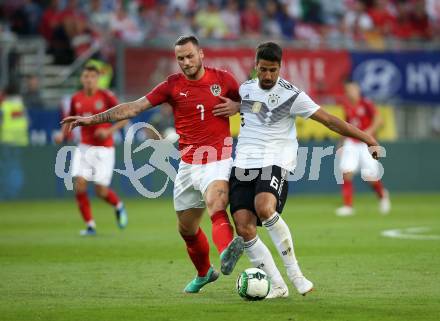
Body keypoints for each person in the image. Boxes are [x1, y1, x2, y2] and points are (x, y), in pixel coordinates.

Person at [61, 35, 245, 293]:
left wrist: (237, 105)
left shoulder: (223, 79)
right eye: (180, 58)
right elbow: (134, 108)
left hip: (218, 157)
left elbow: (251, 103)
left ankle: (227, 251)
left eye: (190, 56)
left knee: (216, 203)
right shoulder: (172, 85)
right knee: (187, 228)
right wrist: (91, 120)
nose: (186, 62)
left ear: (201, 54)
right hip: (188, 165)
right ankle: (204, 273)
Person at [214, 42, 381, 299]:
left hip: (274, 162)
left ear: (281, 67)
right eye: (263, 70)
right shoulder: (245, 89)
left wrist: (367, 138)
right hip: (242, 166)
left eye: (273, 70)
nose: (268, 75)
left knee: (265, 207)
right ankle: (278, 286)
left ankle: (296, 275)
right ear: (255, 66)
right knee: (245, 229)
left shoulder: (292, 95)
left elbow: (329, 120)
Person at [55, 65, 128, 236]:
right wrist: (62, 134)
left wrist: (108, 131)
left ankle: (118, 205)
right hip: (84, 147)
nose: (89, 80)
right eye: (86, 76)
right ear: (82, 79)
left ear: (97, 79)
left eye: (92, 77)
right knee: (79, 184)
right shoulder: (76, 98)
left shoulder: (106, 96)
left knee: (100, 191)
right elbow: (69, 120)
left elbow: (125, 117)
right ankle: (90, 225)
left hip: (104, 149)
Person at [335, 80, 391, 216]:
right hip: (351, 143)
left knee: (370, 177)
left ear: (358, 90)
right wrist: (341, 142)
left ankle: (382, 195)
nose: (350, 93)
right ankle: (348, 206)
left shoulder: (366, 103)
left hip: (365, 144)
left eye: (352, 90)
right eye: (348, 90)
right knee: (346, 172)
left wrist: (369, 133)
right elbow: (346, 126)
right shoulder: (347, 106)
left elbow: (379, 120)